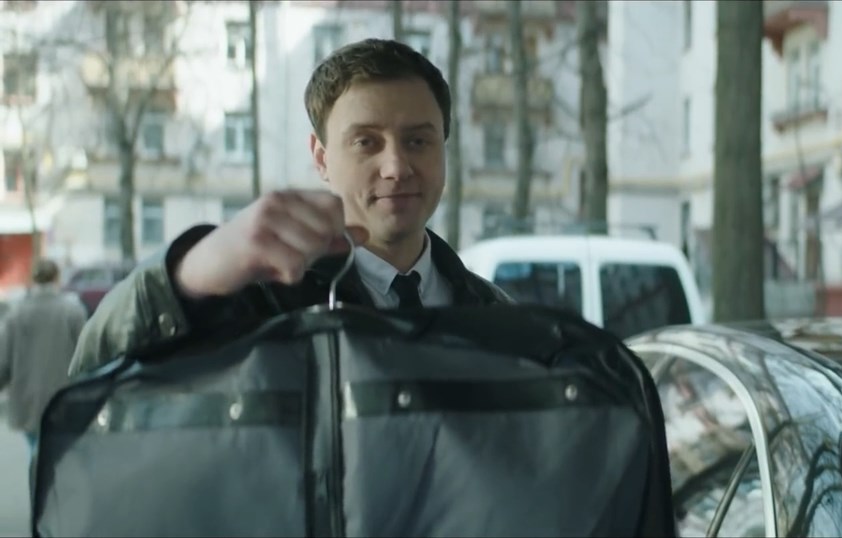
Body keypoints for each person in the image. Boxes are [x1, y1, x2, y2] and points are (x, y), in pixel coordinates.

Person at [70, 38, 512, 375]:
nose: (396, 167)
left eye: (417, 141)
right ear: (321, 158)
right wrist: (188, 275)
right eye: (366, 142)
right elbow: (93, 372)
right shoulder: (257, 305)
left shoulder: (498, 319)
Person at [0, 259, 88, 451]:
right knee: (61, 454)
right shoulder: (73, 312)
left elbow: (3, 363)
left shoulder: (15, 315)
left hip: (27, 402)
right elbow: (86, 357)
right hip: (64, 400)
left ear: (33, 279)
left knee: (37, 452)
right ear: (57, 278)